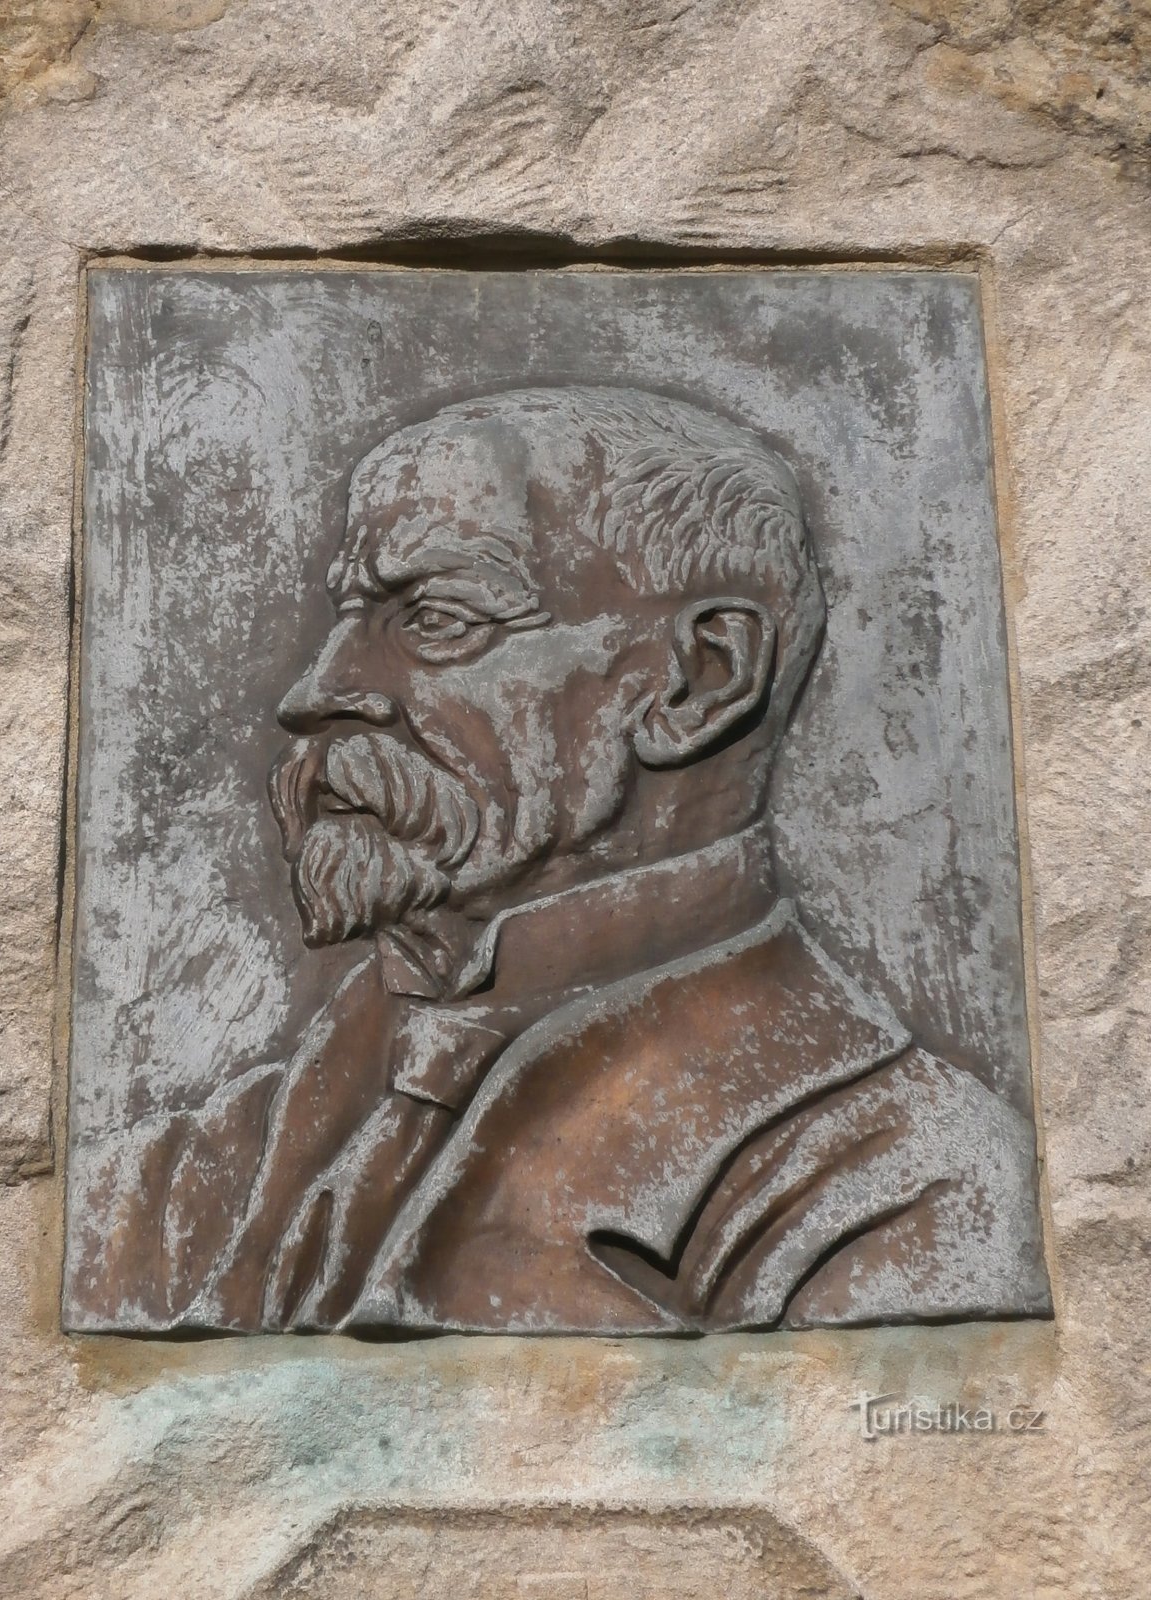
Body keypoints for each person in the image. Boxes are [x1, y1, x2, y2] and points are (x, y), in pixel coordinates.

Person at [67, 387, 1051, 1334]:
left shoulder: (913, 1190)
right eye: (350, 616)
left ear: (700, 681)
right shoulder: (163, 1192)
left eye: (438, 620)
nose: (318, 689)